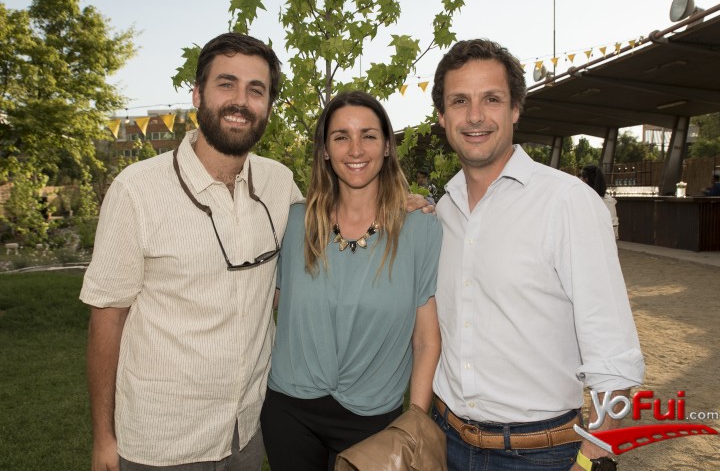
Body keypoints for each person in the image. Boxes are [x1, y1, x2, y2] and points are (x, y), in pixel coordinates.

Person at [81, 33, 303, 471]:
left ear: (268, 106)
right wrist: (104, 437)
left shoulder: (280, 185)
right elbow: (106, 318)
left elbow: (329, 233)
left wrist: (394, 206)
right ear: (198, 94)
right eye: (226, 84)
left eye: (256, 90)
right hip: (161, 443)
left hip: (245, 433)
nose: (240, 101)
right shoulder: (137, 190)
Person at [429, 39, 644, 471]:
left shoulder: (568, 202)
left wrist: (593, 457)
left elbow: (615, 355)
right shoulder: (441, 211)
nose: (474, 115)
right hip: (446, 441)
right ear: (442, 117)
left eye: (491, 99)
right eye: (459, 101)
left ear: (515, 110)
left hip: (541, 454)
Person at [260, 91, 443, 471]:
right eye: (341, 136)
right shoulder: (294, 224)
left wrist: (416, 420)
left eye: (369, 136)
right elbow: (261, 301)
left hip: (377, 420)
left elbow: (426, 339)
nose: (355, 149)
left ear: (388, 146)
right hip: (290, 412)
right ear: (325, 150)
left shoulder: (420, 229)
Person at [581, 165, 619, 239]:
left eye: (581, 178)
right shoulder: (609, 201)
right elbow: (614, 230)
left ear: (586, 179)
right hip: (605, 244)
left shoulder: (584, 199)